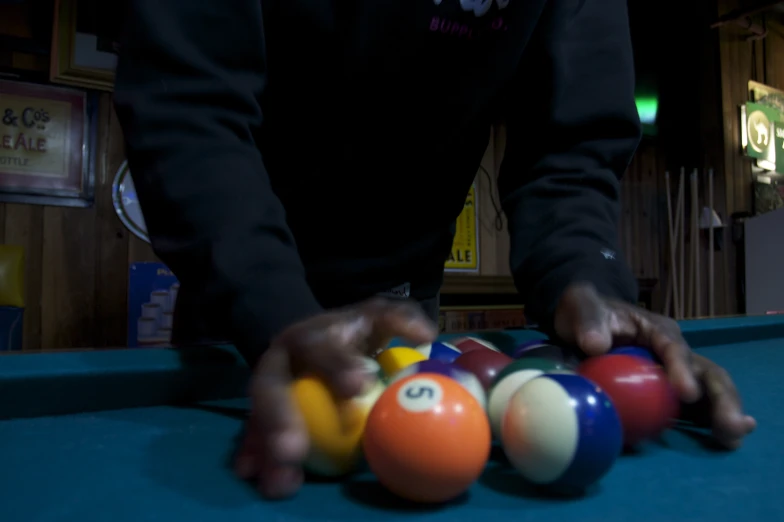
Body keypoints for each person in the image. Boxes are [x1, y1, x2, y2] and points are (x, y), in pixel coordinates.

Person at [113, 0, 756, 499]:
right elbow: (189, 102)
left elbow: (569, 144)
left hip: (405, 305)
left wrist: (585, 273)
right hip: (243, 311)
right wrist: (267, 299)